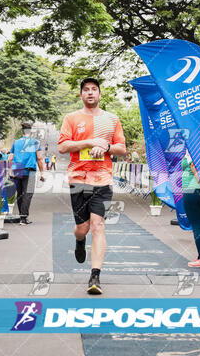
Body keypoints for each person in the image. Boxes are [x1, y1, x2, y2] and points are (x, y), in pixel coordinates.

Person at [58, 78, 127, 295]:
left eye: (94, 90)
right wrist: (89, 143)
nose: (90, 93)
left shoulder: (111, 119)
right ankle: (79, 241)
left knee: (98, 226)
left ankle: (95, 276)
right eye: (86, 90)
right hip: (78, 178)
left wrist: (105, 146)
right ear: (81, 95)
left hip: (103, 178)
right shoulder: (71, 118)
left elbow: (122, 148)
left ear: (99, 94)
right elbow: (62, 146)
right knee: (83, 228)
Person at [8, 122, 46, 225]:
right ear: (31, 131)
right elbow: (39, 158)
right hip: (30, 170)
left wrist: (11, 170)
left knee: (20, 194)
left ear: (22, 131)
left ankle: (22, 216)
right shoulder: (35, 142)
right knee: (28, 194)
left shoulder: (16, 143)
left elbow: (10, 158)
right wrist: (42, 173)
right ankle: (23, 219)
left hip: (17, 169)